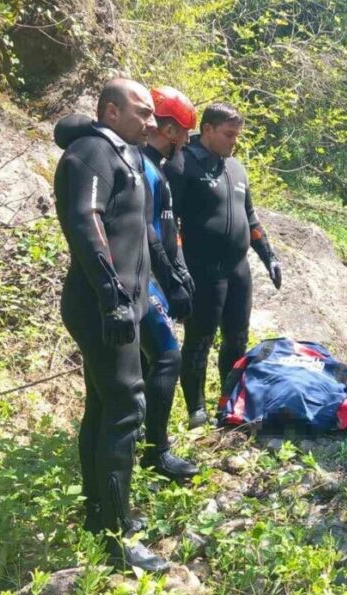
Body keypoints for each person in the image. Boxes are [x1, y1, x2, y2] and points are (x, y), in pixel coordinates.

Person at [52, 78, 168, 571]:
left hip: (121, 304)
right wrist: (113, 297)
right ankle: (116, 540)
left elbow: (136, 232)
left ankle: (99, 513)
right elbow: (85, 220)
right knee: (125, 407)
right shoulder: (93, 152)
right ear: (111, 111)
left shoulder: (126, 154)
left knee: (104, 406)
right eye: (141, 112)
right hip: (103, 306)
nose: (152, 122)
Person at [166, 103, 282, 429]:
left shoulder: (236, 168)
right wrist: (178, 267)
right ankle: (196, 412)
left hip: (237, 269)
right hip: (201, 270)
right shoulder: (182, 165)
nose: (234, 141)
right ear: (207, 130)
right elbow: (167, 221)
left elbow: (251, 218)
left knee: (237, 340)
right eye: (229, 135)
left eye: (237, 135)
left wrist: (269, 256)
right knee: (199, 340)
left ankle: (228, 406)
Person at [137, 86, 200, 480]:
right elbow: (147, 230)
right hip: (140, 277)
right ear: (173, 131)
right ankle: (155, 452)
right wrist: (170, 280)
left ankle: (145, 439)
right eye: (186, 135)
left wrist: (180, 272)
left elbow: (167, 227)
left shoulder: (156, 167)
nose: (187, 144)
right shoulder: (141, 166)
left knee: (152, 360)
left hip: (153, 275)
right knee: (166, 357)